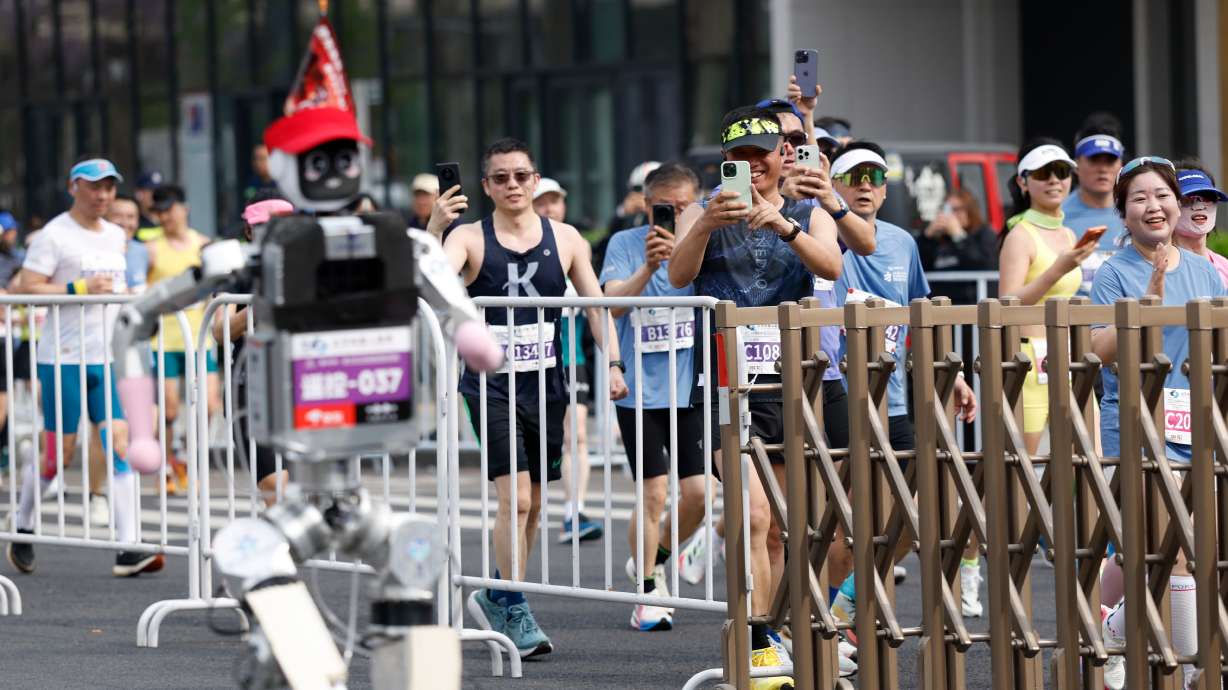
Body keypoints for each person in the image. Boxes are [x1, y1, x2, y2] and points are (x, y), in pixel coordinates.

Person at [670, 105, 876, 686]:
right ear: (725, 161)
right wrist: (708, 224)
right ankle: (758, 638)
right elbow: (682, 277)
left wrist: (781, 224)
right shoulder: (700, 209)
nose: (753, 165)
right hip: (723, 379)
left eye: (763, 153)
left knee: (790, 526)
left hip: (790, 379)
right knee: (753, 513)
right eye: (740, 157)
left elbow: (832, 264)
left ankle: (781, 631)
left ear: (782, 156)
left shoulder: (810, 209)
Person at [437, 138, 629, 659]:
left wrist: (612, 361)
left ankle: (500, 593)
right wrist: (436, 226)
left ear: (535, 178)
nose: (513, 185)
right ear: (486, 187)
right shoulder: (468, 238)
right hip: (489, 381)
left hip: (545, 381)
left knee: (536, 500)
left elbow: (594, 306)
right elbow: (429, 279)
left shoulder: (565, 238)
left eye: (521, 175)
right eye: (501, 178)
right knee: (514, 498)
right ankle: (516, 603)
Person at [827, 141, 978, 640]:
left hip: (891, 397)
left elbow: (918, 312)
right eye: (854, 176)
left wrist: (950, 373)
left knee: (913, 514)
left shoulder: (902, 241)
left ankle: (849, 599)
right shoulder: (822, 232)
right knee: (848, 517)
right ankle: (842, 628)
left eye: (874, 176)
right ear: (836, 184)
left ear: (886, 187)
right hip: (835, 393)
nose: (865, 184)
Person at [1091, 156, 1224, 690]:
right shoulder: (1113, 271)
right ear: (1124, 214)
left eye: (1162, 195)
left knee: (1180, 549)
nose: (1155, 206)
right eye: (1140, 198)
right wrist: (1149, 293)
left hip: (1198, 422)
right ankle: (1190, 665)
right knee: (1173, 549)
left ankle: (1112, 629)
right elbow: (1101, 347)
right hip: (1138, 423)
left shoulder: (1203, 269)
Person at [5, 157, 162, 577]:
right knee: (60, 454)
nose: (103, 195)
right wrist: (78, 288)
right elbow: (26, 287)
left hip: (105, 355)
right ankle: (22, 526)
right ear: (74, 186)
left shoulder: (115, 235)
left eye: (110, 188)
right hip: (62, 359)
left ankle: (128, 547)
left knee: (119, 442)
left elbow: (117, 287)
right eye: (95, 187)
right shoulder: (54, 235)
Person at [600, 162, 711, 631]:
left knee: (699, 495)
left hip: (688, 388)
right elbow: (613, 302)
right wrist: (649, 265)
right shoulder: (625, 244)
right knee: (653, 492)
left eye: (682, 208)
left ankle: (656, 556)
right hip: (639, 393)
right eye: (662, 208)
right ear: (645, 205)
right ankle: (646, 591)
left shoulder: (705, 242)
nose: (671, 216)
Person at [998, 139, 1094, 456]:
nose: (1054, 180)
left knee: (1087, 456)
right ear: (1023, 182)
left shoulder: (1067, 233)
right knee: (1024, 466)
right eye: (1043, 173)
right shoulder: (1020, 234)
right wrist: (1058, 269)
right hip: (1030, 360)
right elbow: (1007, 303)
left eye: (1062, 171)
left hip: (1069, 357)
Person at [213, 197, 295, 506]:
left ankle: (288, 551)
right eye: (264, 226)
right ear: (249, 231)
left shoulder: (309, 265)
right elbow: (219, 330)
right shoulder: (237, 271)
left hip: (303, 387)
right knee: (276, 488)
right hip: (251, 391)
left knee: (306, 493)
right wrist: (257, 309)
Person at [531, 177, 600, 544]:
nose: (549, 208)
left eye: (555, 201)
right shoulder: (525, 244)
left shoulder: (574, 243)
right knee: (544, 439)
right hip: (532, 359)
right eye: (542, 202)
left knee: (578, 434)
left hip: (571, 357)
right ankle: (537, 505)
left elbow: (595, 302)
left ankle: (576, 511)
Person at [145, 184, 222, 494]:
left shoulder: (203, 245)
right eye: (159, 212)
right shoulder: (151, 249)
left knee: (209, 405)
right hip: (163, 341)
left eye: (169, 209)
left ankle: (189, 461)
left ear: (184, 208)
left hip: (199, 338)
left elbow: (216, 287)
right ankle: (166, 467)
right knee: (169, 410)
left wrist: (220, 317)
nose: (165, 217)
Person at [1062, 116, 1127, 296]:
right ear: (1076, 165)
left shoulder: (1136, 212)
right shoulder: (1058, 215)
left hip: (1125, 318)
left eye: (1110, 160)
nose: (1102, 169)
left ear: (1121, 165)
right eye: (1094, 159)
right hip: (1072, 319)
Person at [918, 188, 999, 303]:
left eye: (956, 210)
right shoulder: (940, 240)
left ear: (969, 211)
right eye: (946, 210)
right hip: (941, 309)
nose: (950, 215)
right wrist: (927, 237)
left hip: (972, 307)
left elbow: (981, 263)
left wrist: (958, 235)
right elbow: (919, 266)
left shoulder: (984, 234)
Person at [1171, 161, 1228, 287]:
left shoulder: (1225, 267)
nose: (1199, 206)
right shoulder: (1159, 265)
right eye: (1188, 199)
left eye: (1208, 197)